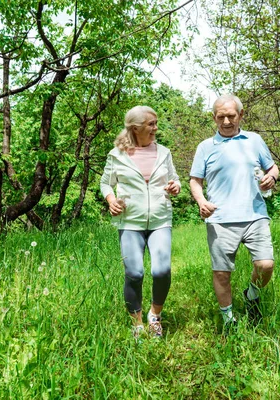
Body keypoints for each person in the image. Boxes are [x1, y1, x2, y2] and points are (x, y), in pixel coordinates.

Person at [189, 94, 279, 330]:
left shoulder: (255, 140)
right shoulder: (206, 147)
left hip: (255, 215)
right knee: (222, 273)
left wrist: (272, 177)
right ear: (214, 117)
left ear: (241, 115)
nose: (226, 121)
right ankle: (229, 319)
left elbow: (272, 167)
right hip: (220, 219)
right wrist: (201, 201)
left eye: (231, 116)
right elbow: (195, 180)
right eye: (221, 117)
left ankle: (252, 295)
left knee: (265, 265)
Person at [100, 105, 181, 339]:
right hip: (130, 221)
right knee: (134, 273)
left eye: (156, 123)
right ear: (135, 128)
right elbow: (106, 183)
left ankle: (155, 315)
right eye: (151, 124)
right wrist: (111, 198)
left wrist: (175, 186)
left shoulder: (164, 152)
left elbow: (174, 179)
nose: (156, 128)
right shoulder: (117, 154)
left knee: (162, 270)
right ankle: (136, 322)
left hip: (160, 219)